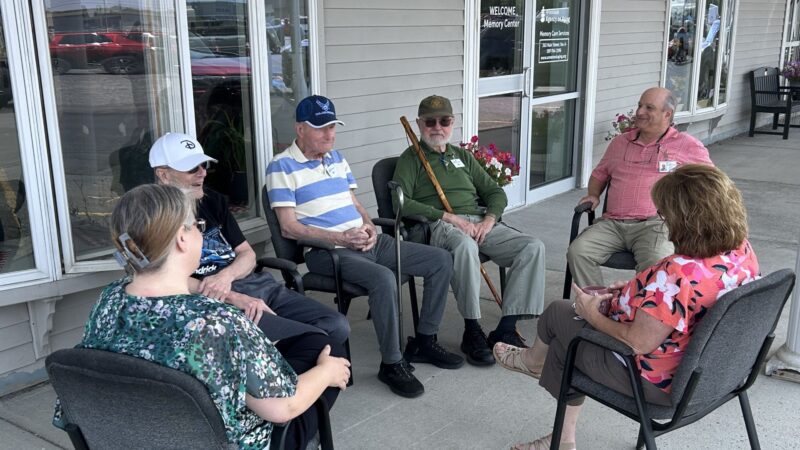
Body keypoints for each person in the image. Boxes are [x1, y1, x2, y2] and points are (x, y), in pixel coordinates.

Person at [53, 184, 351, 449]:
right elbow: (282, 409)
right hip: (230, 439)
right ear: (182, 239)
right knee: (328, 350)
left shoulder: (108, 299)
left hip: (138, 431)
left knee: (306, 342)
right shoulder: (215, 323)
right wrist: (328, 372)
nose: (200, 231)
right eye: (197, 225)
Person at [493, 164, 759, 449]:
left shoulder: (677, 274)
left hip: (658, 382)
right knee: (565, 337)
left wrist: (590, 313)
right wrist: (638, 292)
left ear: (687, 220)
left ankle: (535, 366)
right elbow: (683, 305)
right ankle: (560, 434)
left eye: (664, 214)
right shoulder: (741, 251)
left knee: (560, 319)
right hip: (719, 372)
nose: (662, 220)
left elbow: (637, 342)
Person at [266, 95, 464, 398]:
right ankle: (392, 362)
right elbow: (288, 227)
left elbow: (356, 204)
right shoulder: (282, 166)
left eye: (332, 126)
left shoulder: (337, 158)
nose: (329, 134)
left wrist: (369, 227)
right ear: (300, 129)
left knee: (440, 260)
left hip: (366, 241)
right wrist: (341, 239)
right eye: (320, 128)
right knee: (383, 278)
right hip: (326, 252)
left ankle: (425, 340)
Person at [148, 132, 350, 346]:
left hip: (254, 285)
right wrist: (231, 296)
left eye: (204, 165)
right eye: (192, 169)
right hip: (212, 303)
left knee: (335, 324)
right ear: (164, 175)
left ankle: (294, 365)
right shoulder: (151, 217)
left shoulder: (212, 200)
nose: (202, 174)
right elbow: (162, 276)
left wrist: (226, 277)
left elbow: (247, 253)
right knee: (309, 342)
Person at [392, 94, 545, 366]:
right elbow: (401, 203)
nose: (437, 127)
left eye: (444, 120)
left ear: (452, 123)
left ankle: (506, 328)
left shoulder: (461, 155)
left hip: (477, 221)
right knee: (465, 246)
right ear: (419, 124)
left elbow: (494, 191)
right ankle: (472, 329)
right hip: (439, 225)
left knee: (532, 247)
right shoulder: (411, 158)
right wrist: (449, 217)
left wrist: (489, 219)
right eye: (430, 121)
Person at [566, 87, 713, 290]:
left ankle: (639, 312)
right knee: (578, 251)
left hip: (656, 224)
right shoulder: (620, 142)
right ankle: (598, 306)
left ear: (667, 114)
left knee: (657, 261)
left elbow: (712, 183)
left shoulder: (686, 145)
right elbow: (600, 174)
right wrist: (593, 194)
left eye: (649, 107)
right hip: (613, 223)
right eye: (639, 105)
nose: (640, 112)